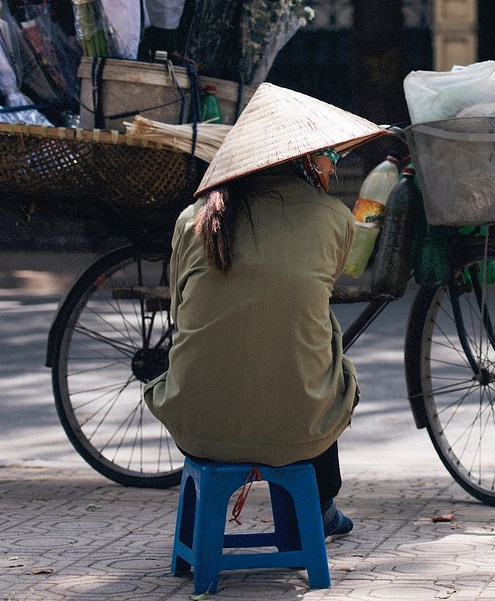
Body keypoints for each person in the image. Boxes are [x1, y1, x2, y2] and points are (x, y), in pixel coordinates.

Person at [144, 82, 386, 539]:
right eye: (327, 156)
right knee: (321, 351)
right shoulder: (333, 218)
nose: (331, 166)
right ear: (301, 161)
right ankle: (319, 504)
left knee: (291, 339)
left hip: (198, 422)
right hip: (298, 424)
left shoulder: (191, 220)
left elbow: (180, 313)